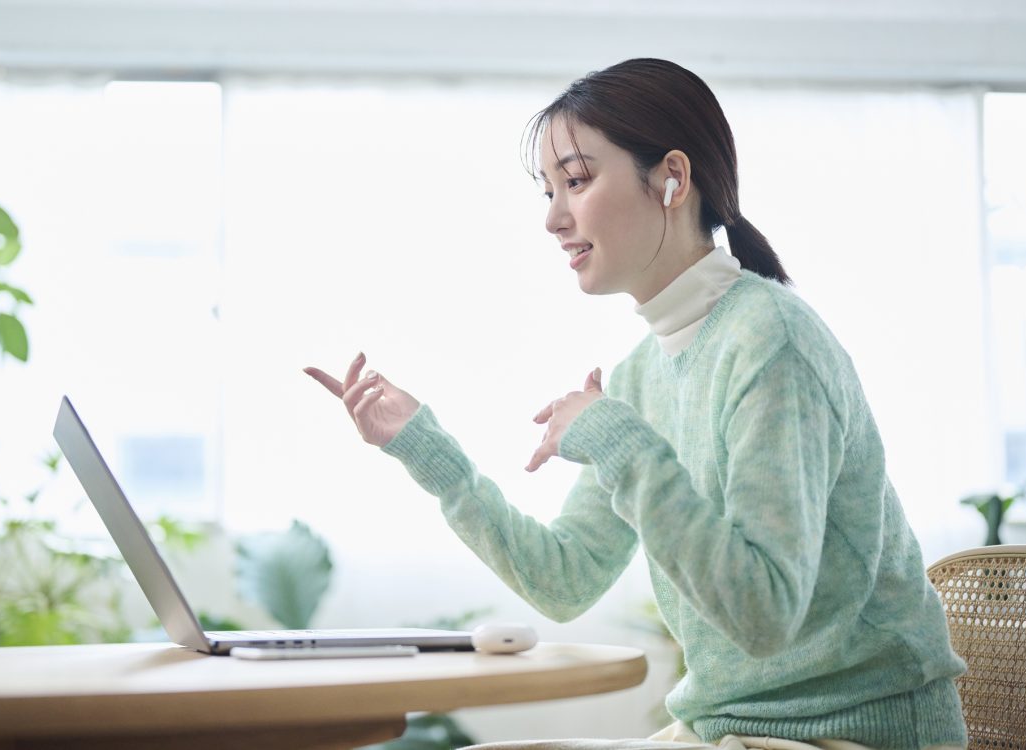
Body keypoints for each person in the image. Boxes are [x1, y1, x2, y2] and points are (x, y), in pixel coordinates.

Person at [304, 58, 966, 750]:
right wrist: (423, 448)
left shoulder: (770, 340)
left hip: (855, 734)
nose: (554, 218)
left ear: (672, 178)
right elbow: (565, 579)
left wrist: (622, 444)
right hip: (732, 731)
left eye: (577, 181)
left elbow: (765, 615)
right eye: (549, 190)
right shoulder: (644, 372)